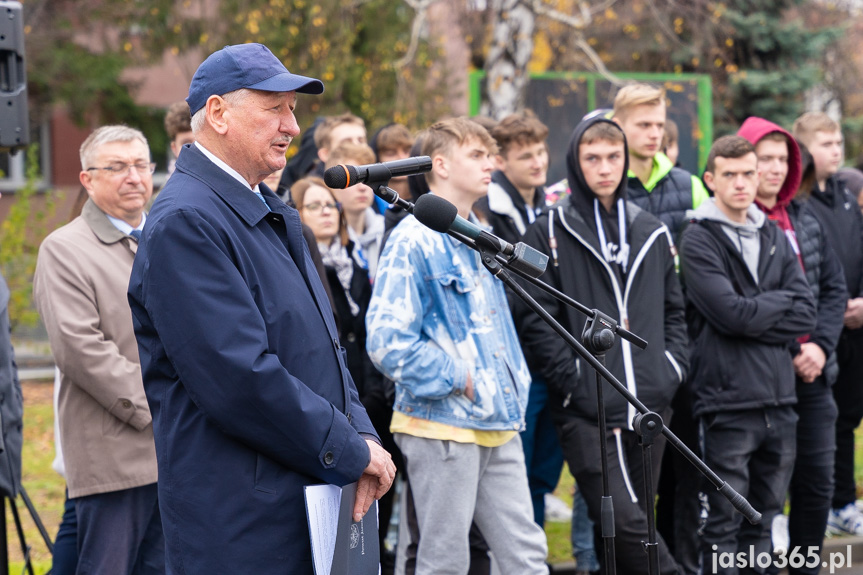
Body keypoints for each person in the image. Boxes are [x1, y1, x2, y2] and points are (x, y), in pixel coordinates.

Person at [127, 43, 395, 573]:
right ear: (219, 113)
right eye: (275, 108)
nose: (293, 127)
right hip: (243, 523)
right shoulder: (187, 222)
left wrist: (362, 433)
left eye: (293, 110)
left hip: (302, 502)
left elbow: (323, 346)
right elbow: (240, 378)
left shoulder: (263, 209)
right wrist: (349, 448)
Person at [366, 116, 549, 575]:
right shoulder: (412, 240)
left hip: (498, 419)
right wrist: (461, 379)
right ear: (441, 164)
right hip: (441, 426)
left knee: (526, 555)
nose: (491, 164)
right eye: (478, 155)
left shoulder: (477, 233)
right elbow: (387, 341)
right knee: (445, 561)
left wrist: (508, 384)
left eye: (491, 155)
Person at [516, 115, 687, 575]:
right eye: (593, 158)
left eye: (614, 157)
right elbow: (535, 316)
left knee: (632, 520)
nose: (605, 167)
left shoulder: (650, 228)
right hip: (587, 407)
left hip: (650, 403)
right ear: (576, 161)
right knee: (629, 523)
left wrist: (670, 369)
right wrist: (573, 382)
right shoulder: (549, 230)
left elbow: (674, 310)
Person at [679, 135, 816, 575]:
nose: (741, 183)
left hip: (780, 400)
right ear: (711, 180)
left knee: (766, 518)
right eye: (730, 175)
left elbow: (806, 311)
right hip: (727, 402)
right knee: (724, 522)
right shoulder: (698, 238)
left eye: (748, 174)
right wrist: (774, 302)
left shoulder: (773, 233)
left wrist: (754, 309)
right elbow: (731, 317)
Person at [33, 125, 164, 575]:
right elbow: (80, 349)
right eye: (117, 167)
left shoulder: (168, 238)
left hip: (178, 451)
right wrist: (162, 404)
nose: (133, 177)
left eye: (140, 165)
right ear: (87, 179)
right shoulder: (65, 250)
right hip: (115, 458)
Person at [738, 117, 846, 574]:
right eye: (766, 159)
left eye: (784, 159)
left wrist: (819, 347)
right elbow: (744, 306)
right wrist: (791, 350)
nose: (776, 169)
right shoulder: (733, 224)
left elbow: (832, 289)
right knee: (763, 490)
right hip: (762, 378)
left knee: (817, 482)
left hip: (816, 373)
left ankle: (806, 566)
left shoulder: (805, 217)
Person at [793, 113, 863, 537]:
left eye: (839, 142)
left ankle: (843, 502)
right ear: (804, 148)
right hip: (818, 331)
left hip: (856, 324)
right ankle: (810, 505)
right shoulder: (799, 203)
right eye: (826, 143)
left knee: (849, 417)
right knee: (818, 419)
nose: (836, 150)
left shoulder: (846, 194)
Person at [612, 83, 709, 240]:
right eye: (644, 125)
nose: (655, 134)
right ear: (618, 126)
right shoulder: (603, 187)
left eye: (660, 125)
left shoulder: (691, 185)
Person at [324, 142, 385, 280]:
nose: (363, 187)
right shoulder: (326, 238)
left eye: (367, 179)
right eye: (354, 180)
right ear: (333, 185)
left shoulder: (386, 230)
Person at [164, 100, 194, 175]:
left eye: (200, 142)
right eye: (187, 143)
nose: (195, 149)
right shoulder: (168, 186)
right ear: (174, 148)